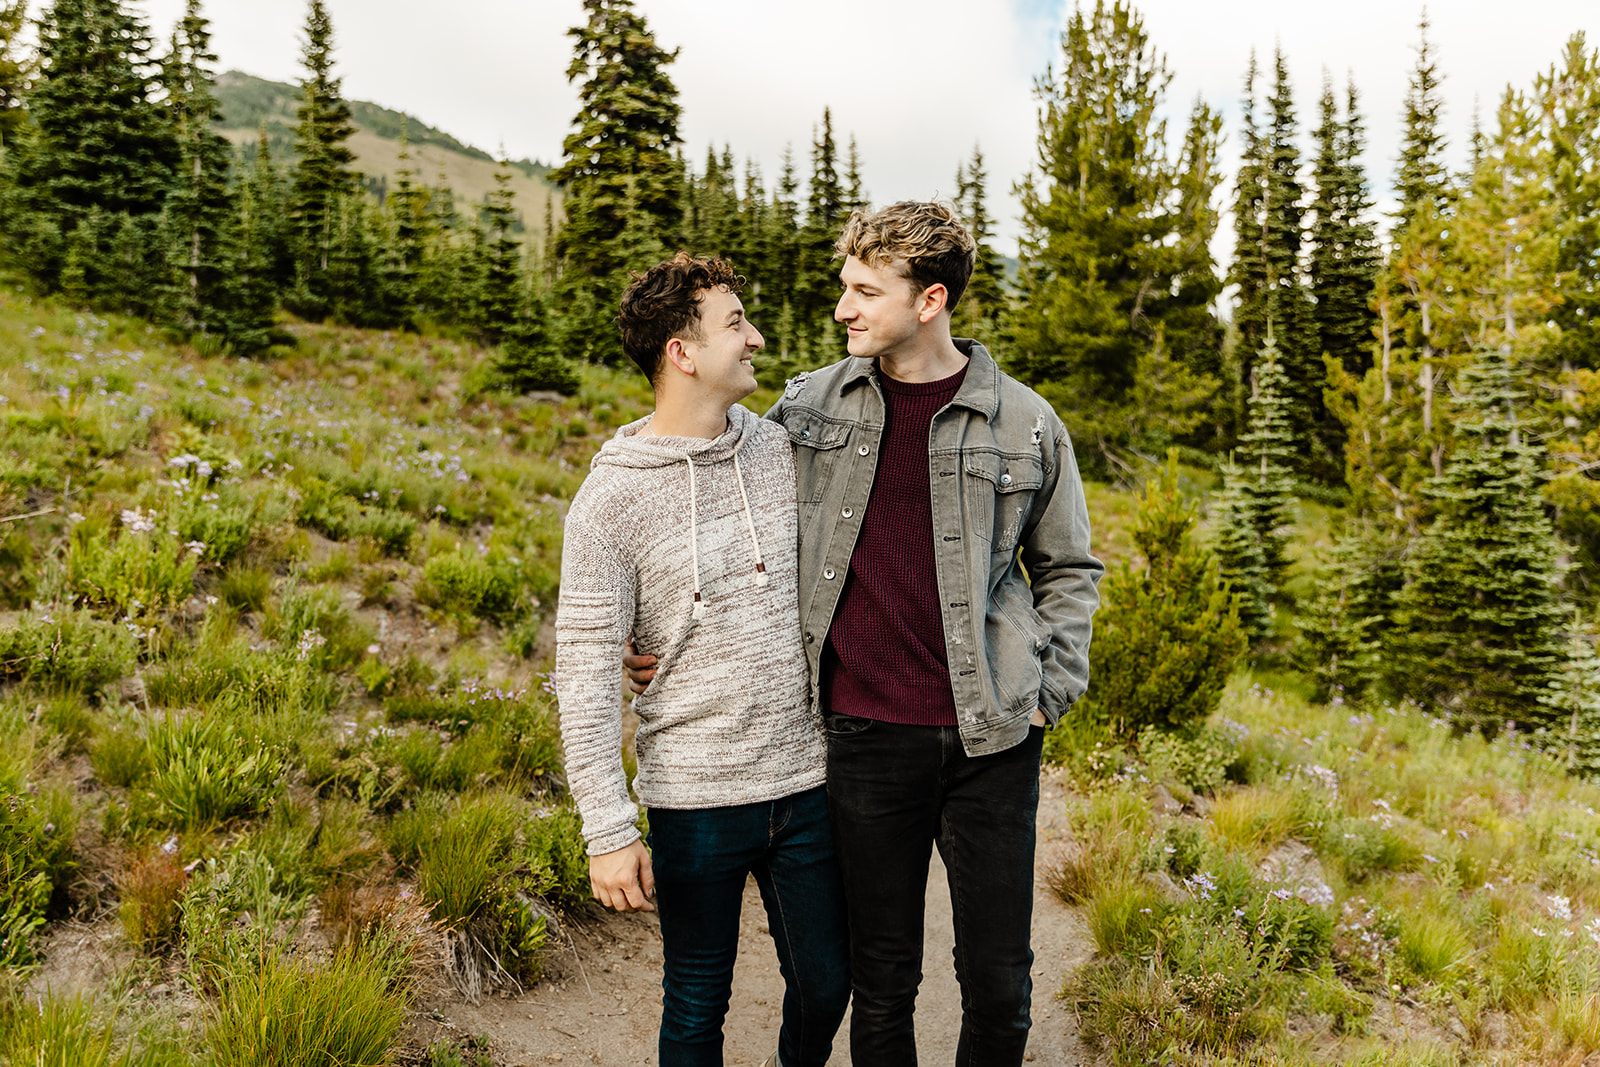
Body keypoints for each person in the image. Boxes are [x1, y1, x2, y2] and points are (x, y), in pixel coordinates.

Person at [628, 201, 1103, 1065]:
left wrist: (1049, 692)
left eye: (863, 291)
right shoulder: (808, 407)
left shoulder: (1027, 424)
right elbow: (734, 521)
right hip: (862, 738)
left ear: (928, 302)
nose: (842, 308)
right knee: (883, 979)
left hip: (992, 739)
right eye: (843, 286)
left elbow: (1069, 569)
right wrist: (667, 632)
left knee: (998, 978)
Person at [554, 252, 849, 1067]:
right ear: (683, 353)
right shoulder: (609, 503)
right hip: (695, 799)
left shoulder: (782, 450)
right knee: (695, 1009)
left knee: (828, 983)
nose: (755, 336)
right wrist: (608, 830)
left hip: (805, 782)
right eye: (734, 324)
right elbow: (582, 679)